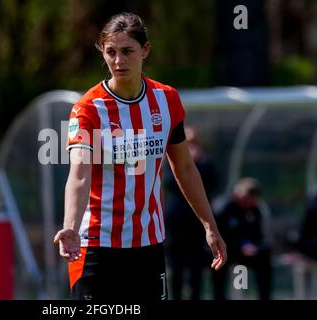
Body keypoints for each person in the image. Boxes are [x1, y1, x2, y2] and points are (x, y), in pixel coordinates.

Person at [53, 12, 227, 301]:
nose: (118, 61)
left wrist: (210, 226)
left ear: (145, 51)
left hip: (148, 245)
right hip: (96, 245)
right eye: (111, 52)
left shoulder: (166, 99)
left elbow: (184, 168)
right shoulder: (88, 109)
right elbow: (80, 174)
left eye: (127, 51)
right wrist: (70, 227)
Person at [164, 126, 218, 300]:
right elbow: (168, 184)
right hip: (177, 219)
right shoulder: (169, 160)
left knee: (197, 263)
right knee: (176, 264)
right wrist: (183, 169)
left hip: (197, 219)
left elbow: (212, 184)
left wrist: (197, 165)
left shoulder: (205, 163)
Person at [212, 177, 272, 300]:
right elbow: (218, 235)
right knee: (218, 262)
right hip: (225, 249)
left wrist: (255, 247)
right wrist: (239, 246)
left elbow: (258, 235)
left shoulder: (254, 210)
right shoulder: (223, 208)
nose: (249, 202)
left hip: (247, 251)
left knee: (264, 258)